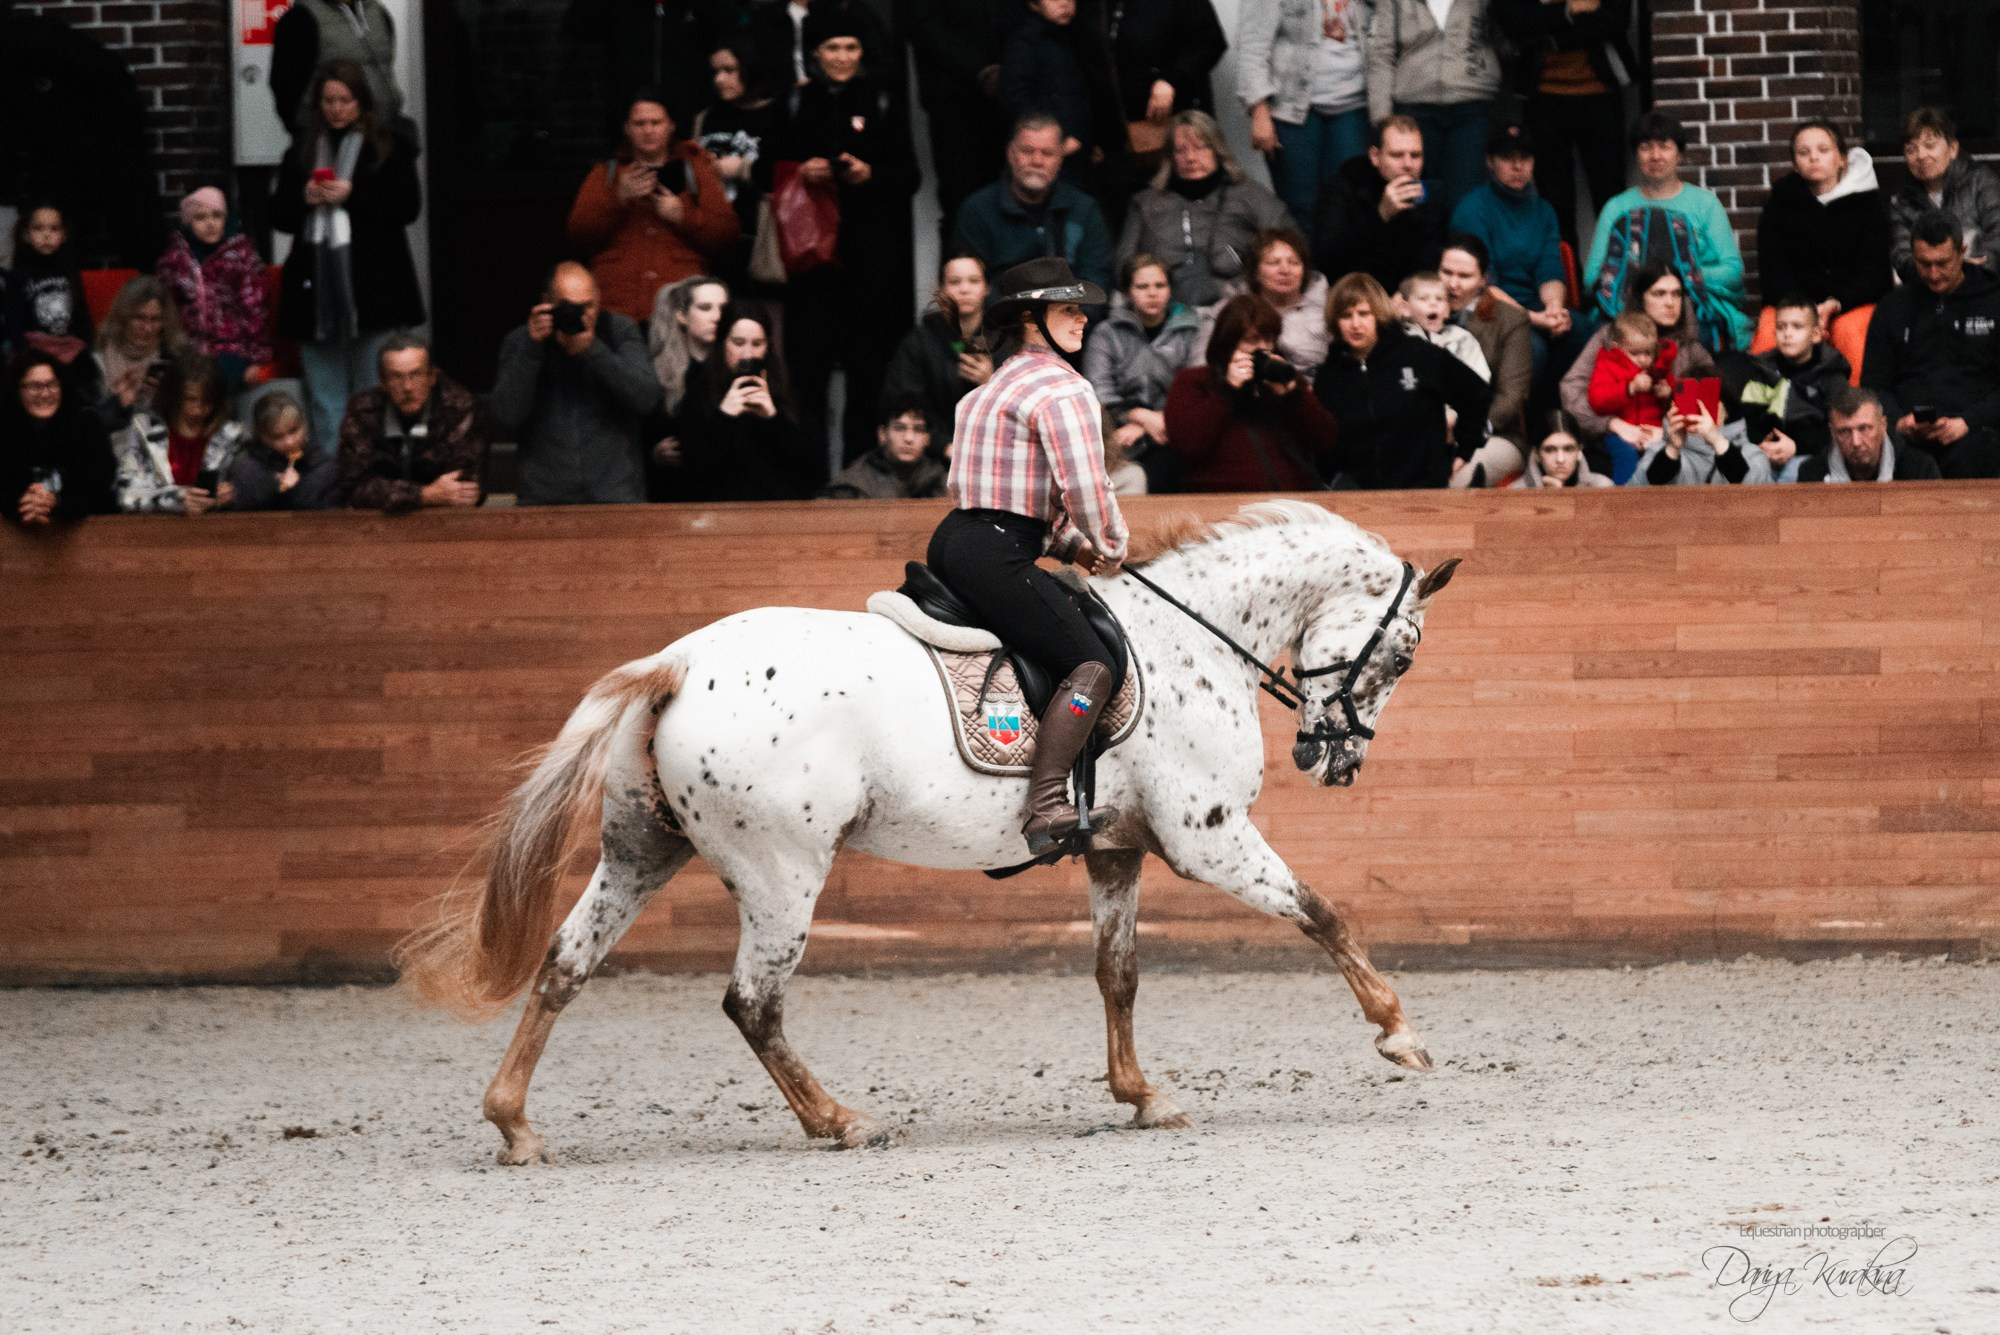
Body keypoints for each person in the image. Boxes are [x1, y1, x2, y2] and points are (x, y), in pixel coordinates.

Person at [925, 257, 1129, 854]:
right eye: (1068, 310)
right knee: (1092, 664)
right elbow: (1085, 488)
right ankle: (1044, 808)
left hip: (958, 538)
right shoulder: (1065, 388)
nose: (1082, 321)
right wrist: (1111, 546)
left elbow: (1000, 496)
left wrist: (1070, 546)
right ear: (1030, 319)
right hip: (996, 551)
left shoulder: (983, 393)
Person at [779, 8, 921, 464]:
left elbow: (910, 177)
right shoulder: (796, 103)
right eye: (833, 48)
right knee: (808, 375)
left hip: (870, 263)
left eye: (851, 47)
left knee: (868, 374)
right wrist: (802, 170)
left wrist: (868, 174)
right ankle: (809, 473)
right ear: (815, 53)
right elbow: (766, 170)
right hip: (812, 263)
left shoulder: (881, 101)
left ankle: (859, 473)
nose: (843, 57)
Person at [271, 60, 426, 454]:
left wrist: (352, 196)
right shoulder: (302, 151)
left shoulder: (388, 147)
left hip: (372, 289)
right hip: (317, 294)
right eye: (328, 101)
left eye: (345, 100)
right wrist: (305, 198)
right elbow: (280, 217)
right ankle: (333, 481)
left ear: (362, 102)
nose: (336, 109)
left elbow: (407, 207)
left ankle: (373, 474)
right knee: (325, 400)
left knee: (374, 393)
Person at [489, 262, 662, 505]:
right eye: (568, 306)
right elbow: (507, 416)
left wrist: (593, 351)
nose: (580, 315)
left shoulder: (617, 331)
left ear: (599, 300)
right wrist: (531, 350)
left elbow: (646, 399)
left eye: (588, 306)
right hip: (545, 499)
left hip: (615, 496)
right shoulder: (522, 341)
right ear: (546, 302)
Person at [1583, 111, 1753, 352]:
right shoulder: (1616, 207)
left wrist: (1684, 275)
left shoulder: (1705, 204)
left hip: (1689, 307)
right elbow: (1592, 278)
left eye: (1664, 146)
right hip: (1628, 310)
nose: (1655, 155)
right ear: (1636, 155)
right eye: (1646, 147)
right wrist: (1643, 286)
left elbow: (1733, 271)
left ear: (1679, 154)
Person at [566, 90, 738, 327]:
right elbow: (579, 236)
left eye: (656, 122)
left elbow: (726, 236)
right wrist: (617, 200)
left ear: (671, 126)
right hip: (618, 310)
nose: (648, 130)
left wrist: (682, 216)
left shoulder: (696, 170)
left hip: (679, 312)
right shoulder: (607, 174)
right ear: (627, 128)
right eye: (639, 123)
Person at [1313, 271, 1491, 488]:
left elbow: (1476, 394)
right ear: (1335, 320)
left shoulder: (1418, 355)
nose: (1355, 324)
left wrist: (1465, 448)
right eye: (1346, 315)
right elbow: (1322, 440)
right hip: (1358, 496)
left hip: (1424, 489)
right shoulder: (1328, 375)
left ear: (1378, 315)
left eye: (1364, 313)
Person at [1861, 211, 2000, 480]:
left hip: (1979, 432)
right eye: (1924, 264)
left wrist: (1968, 422)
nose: (1934, 274)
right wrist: (1899, 422)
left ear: (1962, 251)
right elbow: (1874, 383)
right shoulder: (1893, 307)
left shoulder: (1994, 301)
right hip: (1907, 437)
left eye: (1943, 263)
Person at [1491, 0, 1635, 251]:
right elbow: (1513, 20)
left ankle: (1618, 281)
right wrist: (1569, 10)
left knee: (1611, 196)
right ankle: (1566, 285)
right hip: (1543, 98)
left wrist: (1551, 38)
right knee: (1554, 202)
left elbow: (1615, 18)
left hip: (1600, 94)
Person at [1751, 120, 1890, 379]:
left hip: (1849, 304)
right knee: (1771, 331)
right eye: (1804, 153)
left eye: (1823, 150)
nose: (1814, 157)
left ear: (1842, 159)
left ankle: (1854, 412)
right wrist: (1806, 311)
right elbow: (1773, 272)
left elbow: (1876, 273)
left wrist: (1835, 304)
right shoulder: (1778, 206)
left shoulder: (1868, 205)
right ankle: (1769, 412)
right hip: (1793, 303)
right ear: (1795, 163)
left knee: (1852, 333)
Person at [1164, 292, 1344, 492]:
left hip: (1291, 502)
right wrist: (1227, 392)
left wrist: (1292, 396)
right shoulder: (1194, 381)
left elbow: (1325, 441)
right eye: (1251, 340)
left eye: (1268, 339)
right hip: (1220, 501)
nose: (1262, 349)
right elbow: (1187, 448)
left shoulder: (1282, 381)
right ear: (1228, 343)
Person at [1116, 111, 1295, 309]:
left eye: (1200, 147)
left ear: (1217, 150)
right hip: (1162, 311)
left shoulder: (1250, 194)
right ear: (1170, 157)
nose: (1191, 158)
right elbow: (1123, 269)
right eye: (1181, 150)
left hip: (1240, 307)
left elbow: (1292, 247)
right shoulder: (1145, 203)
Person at [1560, 264, 1718, 482]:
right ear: (1641, 298)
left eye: (1676, 294)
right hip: (1615, 440)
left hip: (1674, 447)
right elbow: (1571, 390)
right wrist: (1611, 424)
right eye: (1659, 293)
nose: (1670, 302)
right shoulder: (1610, 338)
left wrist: (1664, 430)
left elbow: (1709, 409)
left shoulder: (1692, 350)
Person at [1238, 0, 1374, 230]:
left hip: (1354, 106)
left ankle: (1341, 268)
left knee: (1349, 204)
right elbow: (1252, 47)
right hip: (1291, 111)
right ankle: (1304, 266)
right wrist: (1258, 109)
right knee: (1301, 207)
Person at [1448, 121, 1570, 376]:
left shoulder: (1544, 210)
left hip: (1535, 305)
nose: (1517, 166)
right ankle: (1529, 415)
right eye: (1507, 158)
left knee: (1583, 335)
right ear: (1490, 162)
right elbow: (1481, 285)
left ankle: (1560, 413)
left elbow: (1550, 270)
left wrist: (1554, 311)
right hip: (1486, 310)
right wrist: (1536, 319)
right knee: (1531, 348)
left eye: (1525, 158)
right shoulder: (1472, 210)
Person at [951, 113, 1116, 294]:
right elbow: (970, 290)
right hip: (1001, 319)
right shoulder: (977, 211)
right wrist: (1020, 320)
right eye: (1027, 151)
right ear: (1010, 154)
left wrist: (1062, 318)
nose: (1037, 161)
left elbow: (1097, 281)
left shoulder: (1085, 210)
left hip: (1071, 317)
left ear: (1060, 159)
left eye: (1047, 153)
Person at [1365, 0, 1505, 212]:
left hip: (1471, 104)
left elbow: (1508, 29)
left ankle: (1461, 246)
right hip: (1414, 106)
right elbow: (1381, 55)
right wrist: (1383, 122)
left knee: (1466, 202)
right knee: (1416, 200)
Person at [677, 303, 821, 502]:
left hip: (779, 513)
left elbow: (813, 467)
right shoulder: (700, 393)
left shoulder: (785, 392)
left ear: (767, 347)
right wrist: (724, 417)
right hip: (720, 516)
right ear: (723, 343)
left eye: (757, 344)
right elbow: (695, 473)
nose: (748, 354)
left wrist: (774, 419)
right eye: (738, 342)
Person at [1083, 253, 1202, 487]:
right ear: (1127, 292)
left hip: (1177, 428)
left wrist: (1160, 421)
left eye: (1160, 285)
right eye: (1142, 286)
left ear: (1170, 289)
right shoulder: (1106, 334)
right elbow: (1100, 392)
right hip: (1122, 430)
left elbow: (1198, 388)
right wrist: (1141, 418)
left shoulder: (1191, 330)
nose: (1152, 293)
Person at [337, 334, 486, 512]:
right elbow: (353, 487)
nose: (407, 387)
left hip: (445, 521)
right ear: (382, 382)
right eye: (396, 377)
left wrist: (394, 494)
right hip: (378, 523)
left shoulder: (460, 407)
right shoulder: (362, 410)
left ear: (432, 377)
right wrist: (424, 494)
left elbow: (464, 491)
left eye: (416, 374)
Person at [907, 0, 1019, 234]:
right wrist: (981, 71)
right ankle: (959, 269)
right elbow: (923, 27)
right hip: (954, 99)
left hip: (1011, 96)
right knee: (961, 204)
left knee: (1015, 203)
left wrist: (1012, 68)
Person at [1312, 114, 1449, 293]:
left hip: (1407, 300)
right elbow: (1326, 261)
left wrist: (1406, 295)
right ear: (1375, 156)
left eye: (1415, 155)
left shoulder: (1429, 195)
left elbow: (1428, 264)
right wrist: (1380, 215)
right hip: (1353, 296)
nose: (1408, 164)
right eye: (1397, 155)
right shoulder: (1343, 187)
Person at [156, 188, 271, 393]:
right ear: (189, 223)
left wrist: (257, 358)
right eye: (200, 217)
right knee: (183, 386)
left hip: (232, 347)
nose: (210, 223)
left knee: (214, 386)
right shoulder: (175, 260)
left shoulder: (241, 257)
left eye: (217, 216)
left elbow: (254, 310)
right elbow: (167, 307)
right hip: (189, 348)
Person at [691, 43, 788, 285]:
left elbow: (786, 174)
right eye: (715, 71)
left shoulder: (780, 114)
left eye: (729, 70)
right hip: (712, 238)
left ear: (751, 69)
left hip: (761, 239)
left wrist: (740, 168)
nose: (720, 79)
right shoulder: (707, 117)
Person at [1000, 0, 1122, 190]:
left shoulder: (1072, 39)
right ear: (1034, 4)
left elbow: (1080, 97)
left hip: (1080, 155)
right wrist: (1059, 140)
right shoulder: (1025, 43)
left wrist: (1090, 141)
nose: (1065, 3)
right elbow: (1015, 100)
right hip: (1044, 157)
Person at [882, 254, 993, 454]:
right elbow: (902, 403)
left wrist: (990, 382)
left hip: (991, 453)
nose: (964, 289)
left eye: (974, 281)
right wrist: (943, 446)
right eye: (954, 282)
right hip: (932, 457)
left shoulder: (1004, 340)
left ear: (987, 288)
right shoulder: (919, 341)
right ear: (942, 290)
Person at [113, 354, 249, 514]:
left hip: (214, 529)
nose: (198, 410)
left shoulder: (233, 435)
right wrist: (175, 499)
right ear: (174, 396)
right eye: (191, 399)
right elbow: (126, 494)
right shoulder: (144, 428)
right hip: (152, 530)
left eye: (207, 401)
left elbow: (251, 488)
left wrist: (233, 494)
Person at [1738, 295, 1853, 482]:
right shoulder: (1762, 370)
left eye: (1797, 327)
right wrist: (1763, 443)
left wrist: (1796, 447)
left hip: (1811, 454)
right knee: (1749, 466)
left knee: (1796, 473)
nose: (1787, 334)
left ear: (1816, 334)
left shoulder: (1832, 375)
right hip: (1766, 451)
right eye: (1781, 327)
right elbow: (1750, 416)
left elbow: (1838, 430)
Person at [1437, 235, 1532, 455]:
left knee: (1456, 483)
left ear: (1484, 279)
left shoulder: (1509, 320)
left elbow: (1510, 396)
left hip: (1490, 433)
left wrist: (1467, 431)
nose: (1453, 284)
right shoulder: (1418, 312)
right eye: (1446, 273)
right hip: (1424, 431)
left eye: (1465, 276)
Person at [2, 348, 114, 524]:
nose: (45, 394)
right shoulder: (5, 428)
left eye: (52, 385)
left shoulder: (86, 424)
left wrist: (56, 501)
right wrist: (26, 505)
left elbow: (97, 485)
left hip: (88, 534)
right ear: (17, 390)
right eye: (35, 386)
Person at [1200, 228, 1332, 376]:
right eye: (1273, 263)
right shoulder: (1226, 310)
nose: (1285, 270)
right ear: (1255, 271)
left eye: (1294, 262)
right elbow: (1200, 368)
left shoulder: (1329, 309)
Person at [1888, 107, 2000, 278]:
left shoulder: (1981, 182)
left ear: (1953, 148)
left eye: (1930, 146)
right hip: (1928, 286)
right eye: (1911, 149)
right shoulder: (1900, 201)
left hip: (1981, 282)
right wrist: (1933, 270)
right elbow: (1901, 255)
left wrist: (1972, 270)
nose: (1921, 155)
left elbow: (1997, 233)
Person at [644, 274, 728, 498]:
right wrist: (652, 454)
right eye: (705, 308)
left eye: (723, 308)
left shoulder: (735, 366)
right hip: (672, 491)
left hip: (726, 490)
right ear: (681, 315)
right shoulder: (659, 372)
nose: (717, 317)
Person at [269, 0, 404, 137]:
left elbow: (385, 67)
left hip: (381, 131)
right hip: (325, 137)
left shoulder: (377, 12)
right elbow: (284, 84)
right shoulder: (301, 17)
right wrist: (304, 134)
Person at [4, 203, 94, 382]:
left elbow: (81, 313)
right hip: (33, 350)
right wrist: (25, 348)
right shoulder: (18, 275)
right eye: (38, 228)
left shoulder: (70, 273)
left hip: (69, 350)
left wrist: (85, 344)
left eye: (54, 229)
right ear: (26, 235)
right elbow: (13, 320)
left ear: (64, 235)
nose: (46, 235)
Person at [91, 276, 186, 433]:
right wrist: (118, 403)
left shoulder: (175, 359)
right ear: (124, 318)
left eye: (155, 320)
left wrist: (165, 400)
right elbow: (87, 427)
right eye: (139, 318)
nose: (147, 328)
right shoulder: (97, 361)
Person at [1797, 385, 1942, 484]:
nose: (1856, 442)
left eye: (1864, 428)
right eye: (1845, 431)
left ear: (1883, 426)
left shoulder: (1919, 470)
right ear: (1832, 434)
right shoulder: (1811, 475)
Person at [230, 390, 340, 510]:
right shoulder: (248, 465)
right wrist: (273, 484)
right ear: (262, 436)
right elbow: (245, 504)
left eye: (294, 431)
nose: (290, 442)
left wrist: (296, 488)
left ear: (304, 424)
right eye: (278, 437)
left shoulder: (322, 463)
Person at [822, 398, 950, 499]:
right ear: (883, 434)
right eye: (899, 428)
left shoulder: (945, 484)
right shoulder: (852, 486)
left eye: (918, 429)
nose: (909, 438)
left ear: (928, 438)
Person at [1587, 311, 1674, 432]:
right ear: (1616, 347)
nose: (1643, 359)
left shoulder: (1659, 369)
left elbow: (1679, 399)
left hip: (1656, 431)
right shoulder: (1608, 365)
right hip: (1620, 433)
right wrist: (1630, 388)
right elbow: (1597, 401)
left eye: (1648, 352)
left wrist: (1669, 394)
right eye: (1634, 353)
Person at [1506, 419, 1610, 488]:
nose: (1560, 459)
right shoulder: (1516, 493)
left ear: (1579, 451)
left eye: (1568, 449)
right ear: (1537, 454)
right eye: (1550, 450)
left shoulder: (1602, 487)